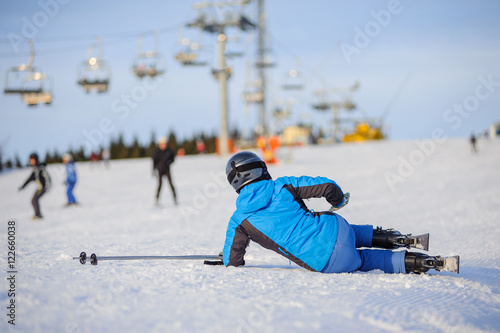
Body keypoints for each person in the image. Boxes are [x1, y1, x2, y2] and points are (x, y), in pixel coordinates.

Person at [222, 151, 457, 274]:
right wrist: (337, 200)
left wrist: (226, 260)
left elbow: (233, 260)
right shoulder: (281, 185)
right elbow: (328, 187)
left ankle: (417, 263)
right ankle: (396, 238)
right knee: (349, 232)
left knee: (364, 260)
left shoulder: (238, 221)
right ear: (260, 170)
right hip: (337, 228)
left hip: (325, 262)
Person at [18, 153, 50, 219]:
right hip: (40, 188)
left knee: (34, 200)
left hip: (43, 187)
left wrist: (46, 186)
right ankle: (37, 214)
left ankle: (38, 215)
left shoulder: (40, 169)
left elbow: (47, 178)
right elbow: (29, 179)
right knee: (34, 200)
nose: (31, 161)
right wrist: (23, 186)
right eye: (30, 160)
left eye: (32, 160)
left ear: (36, 160)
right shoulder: (36, 170)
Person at [152, 137, 177, 205]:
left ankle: (175, 199)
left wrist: (169, 162)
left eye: (164, 144)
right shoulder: (157, 152)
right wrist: (154, 170)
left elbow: (173, 158)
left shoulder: (169, 151)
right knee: (160, 185)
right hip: (160, 170)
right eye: (162, 144)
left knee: (171, 184)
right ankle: (157, 200)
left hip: (167, 170)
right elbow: (154, 162)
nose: (163, 145)